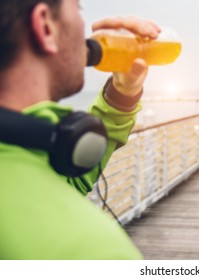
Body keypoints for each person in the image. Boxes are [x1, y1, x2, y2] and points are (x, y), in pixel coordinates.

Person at [0, 0, 161, 259]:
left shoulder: (18, 149)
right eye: (78, 8)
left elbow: (56, 183)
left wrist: (123, 92)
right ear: (45, 26)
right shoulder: (94, 251)